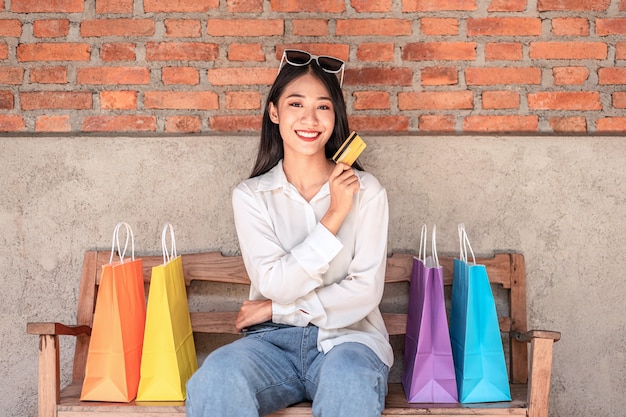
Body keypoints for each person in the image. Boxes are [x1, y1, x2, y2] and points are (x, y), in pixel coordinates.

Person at [186, 49, 393, 417]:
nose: (310, 119)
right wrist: (334, 215)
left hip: (349, 341)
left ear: (336, 116)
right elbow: (276, 283)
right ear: (275, 112)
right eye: (296, 104)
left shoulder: (368, 190)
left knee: (349, 385)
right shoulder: (251, 196)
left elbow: (364, 292)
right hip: (270, 345)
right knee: (215, 377)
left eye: (323, 107)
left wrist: (277, 309)